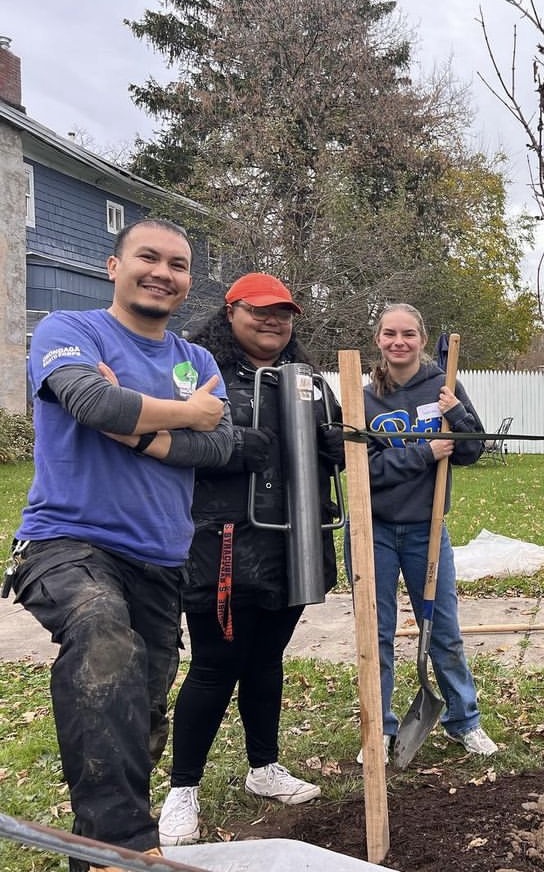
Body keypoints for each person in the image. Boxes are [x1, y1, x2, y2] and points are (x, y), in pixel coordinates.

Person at [4, 218, 234, 872]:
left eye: (178, 264)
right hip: (66, 543)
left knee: (135, 719)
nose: (163, 272)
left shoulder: (197, 362)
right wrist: (186, 416)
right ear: (114, 265)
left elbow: (220, 446)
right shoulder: (68, 331)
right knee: (102, 637)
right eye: (148, 257)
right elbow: (89, 401)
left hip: (159, 563)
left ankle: (102, 852)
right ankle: (122, 851)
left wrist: (135, 425)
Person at [156, 273, 345, 845]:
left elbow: (330, 439)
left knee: (266, 661)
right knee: (216, 665)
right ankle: (182, 789)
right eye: (260, 311)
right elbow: (166, 441)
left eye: (283, 313)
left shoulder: (308, 380)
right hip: (223, 544)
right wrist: (233, 448)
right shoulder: (194, 369)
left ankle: (264, 767)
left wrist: (342, 444)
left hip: (294, 545)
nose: (273, 321)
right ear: (231, 311)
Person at [357, 302, 497, 761]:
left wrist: (456, 415)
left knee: (442, 630)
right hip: (372, 530)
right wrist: (424, 454)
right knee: (375, 633)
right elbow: (361, 470)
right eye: (390, 334)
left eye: (408, 334)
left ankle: (464, 720)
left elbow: (474, 450)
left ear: (421, 337)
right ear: (378, 339)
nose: (399, 342)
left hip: (427, 529)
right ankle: (379, 728)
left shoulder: (445, 383)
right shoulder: (363, 398)